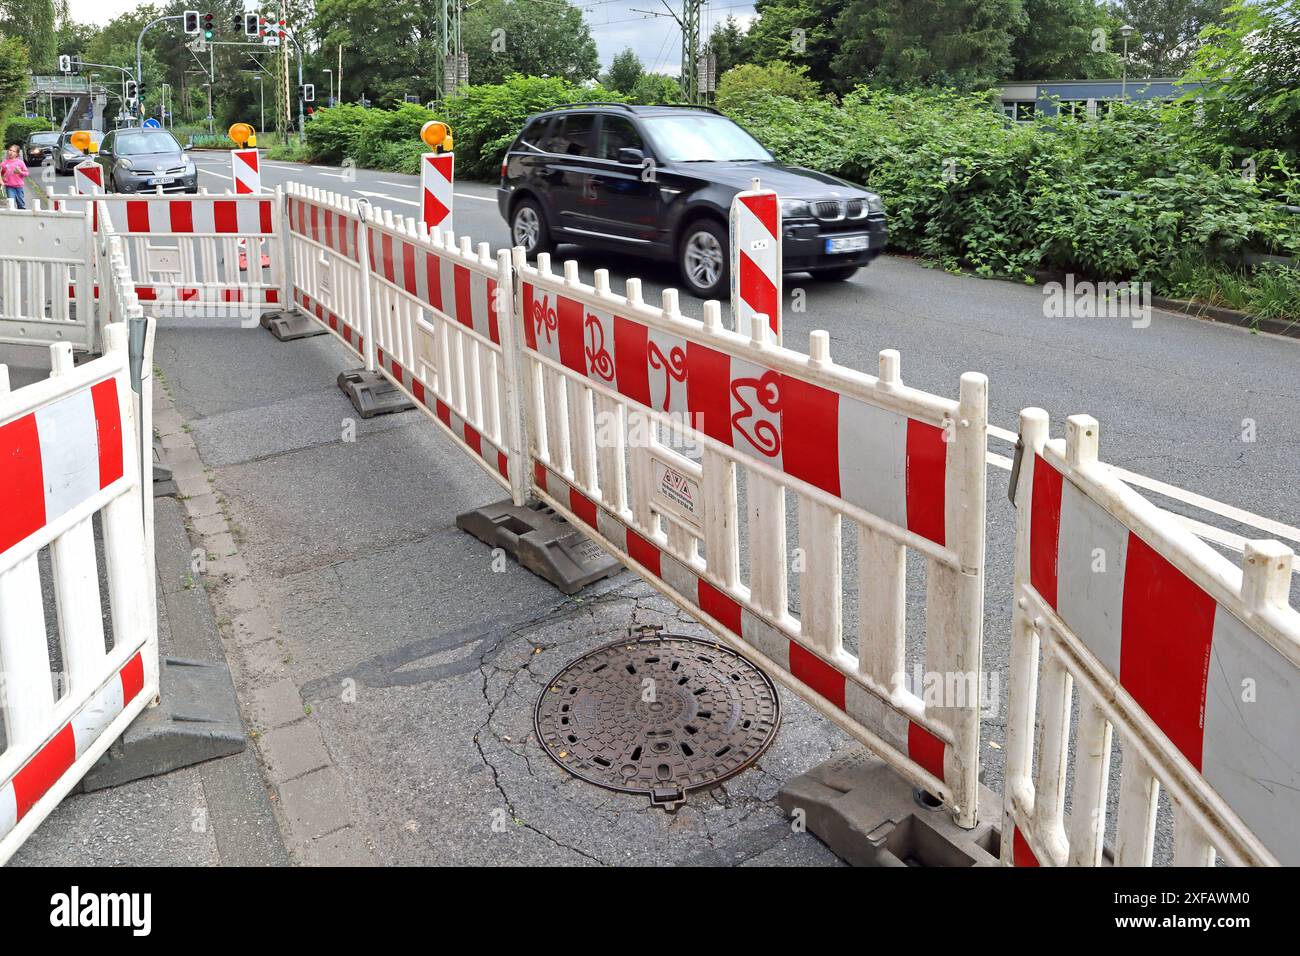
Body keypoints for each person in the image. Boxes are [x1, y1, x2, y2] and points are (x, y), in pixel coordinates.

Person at [2, 144, 30, 209]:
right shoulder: (5, 162)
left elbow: (26, 173)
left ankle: (23, 215)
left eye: (14, 151)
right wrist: (3, 177)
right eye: (10, 150)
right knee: (11, 203)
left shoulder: (20, 162)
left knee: (20, 204)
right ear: (7, 151)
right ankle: (12, 216)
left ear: (17, 154)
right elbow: (1, 172)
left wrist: (20, 172)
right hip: (9, 186)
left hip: (19, 187)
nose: (11, 152)